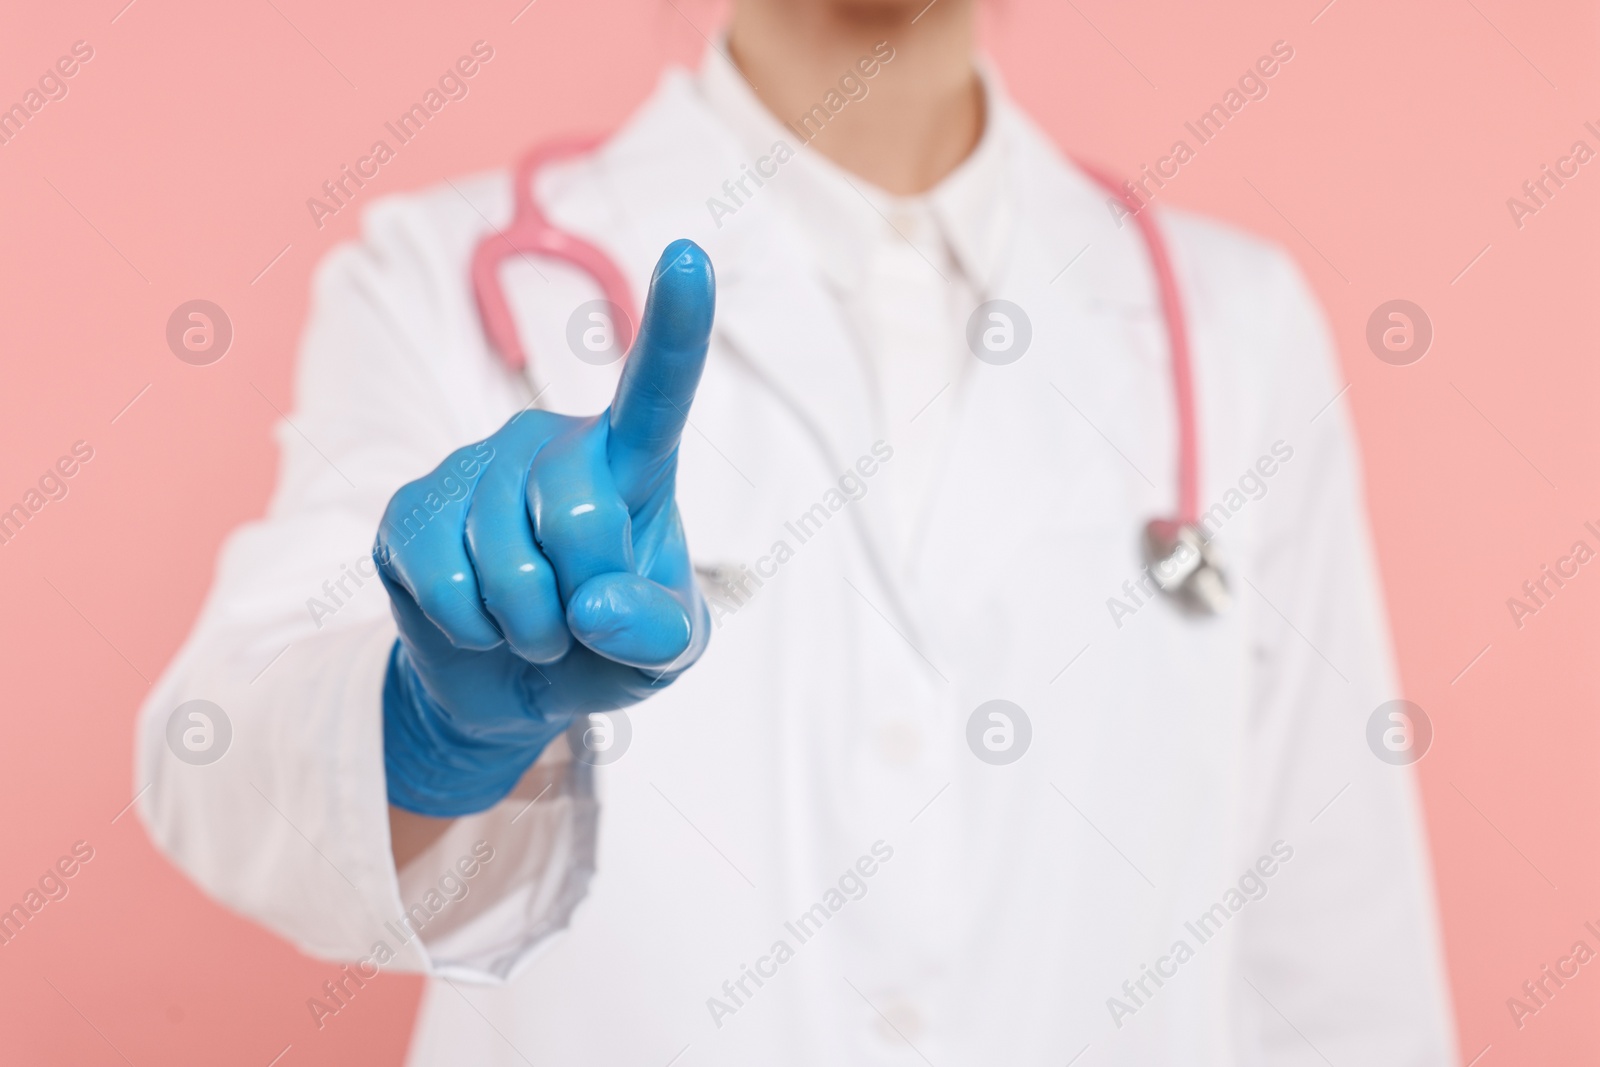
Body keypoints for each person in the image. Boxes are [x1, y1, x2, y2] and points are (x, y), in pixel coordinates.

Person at [138, 0, 1457, 1062]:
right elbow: (214, 753)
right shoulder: (438, 273)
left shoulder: (1235, 329)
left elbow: (1336, 960)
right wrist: (433, 728)